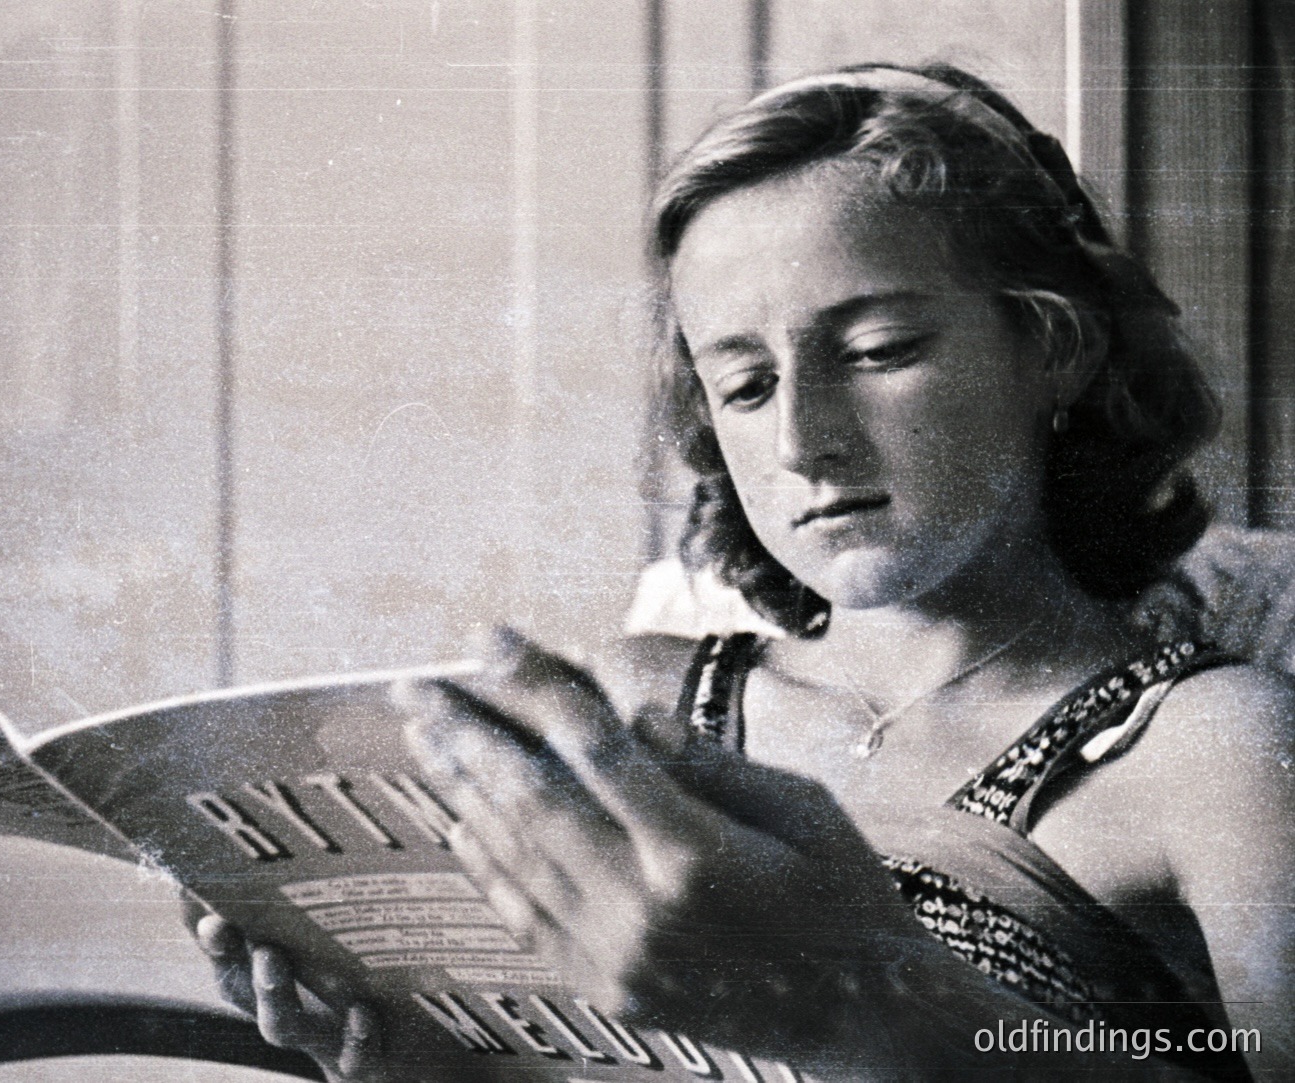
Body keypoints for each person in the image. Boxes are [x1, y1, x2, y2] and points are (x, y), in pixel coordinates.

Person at [189, 62, 1295, 1079]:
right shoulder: (630, 708)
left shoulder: (1215, 751)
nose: (806, 441)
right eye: (749, 386)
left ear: (1056, 349)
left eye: (876, 352)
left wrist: (872, 999)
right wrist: (412, 1057)